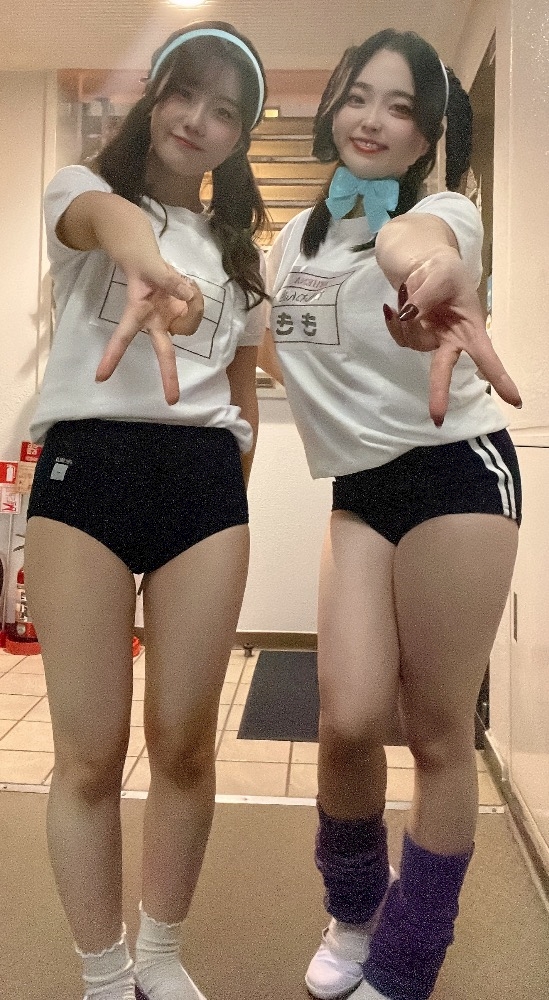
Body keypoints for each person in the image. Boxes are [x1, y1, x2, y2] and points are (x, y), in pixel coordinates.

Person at [259, 28, 522, 1000]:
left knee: (437, 729)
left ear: (426, 137)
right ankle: (355, 912)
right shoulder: (292, 240)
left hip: (456, 471)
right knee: (348, 718)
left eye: (402, 106)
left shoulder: (441, 212)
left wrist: (432, 275)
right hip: (360, 492)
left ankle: (410, 959)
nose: (373, 119)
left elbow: (422, 251)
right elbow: (279, 344)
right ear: (332, 103)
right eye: (359, 95)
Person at [24, 20, 269, 1000]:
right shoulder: (80, 193)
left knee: (185, 743)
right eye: (183, 92)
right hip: (86, 471)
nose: (198, 119)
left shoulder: (240, 257)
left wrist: (229, 489)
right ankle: (103, 974)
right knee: (88, 754)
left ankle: (161, 957)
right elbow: (104, 222)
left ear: (241, 136)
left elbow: (244, 395)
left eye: (225, 110)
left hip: (203, 485)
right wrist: (144, 261)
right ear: (153, 96)